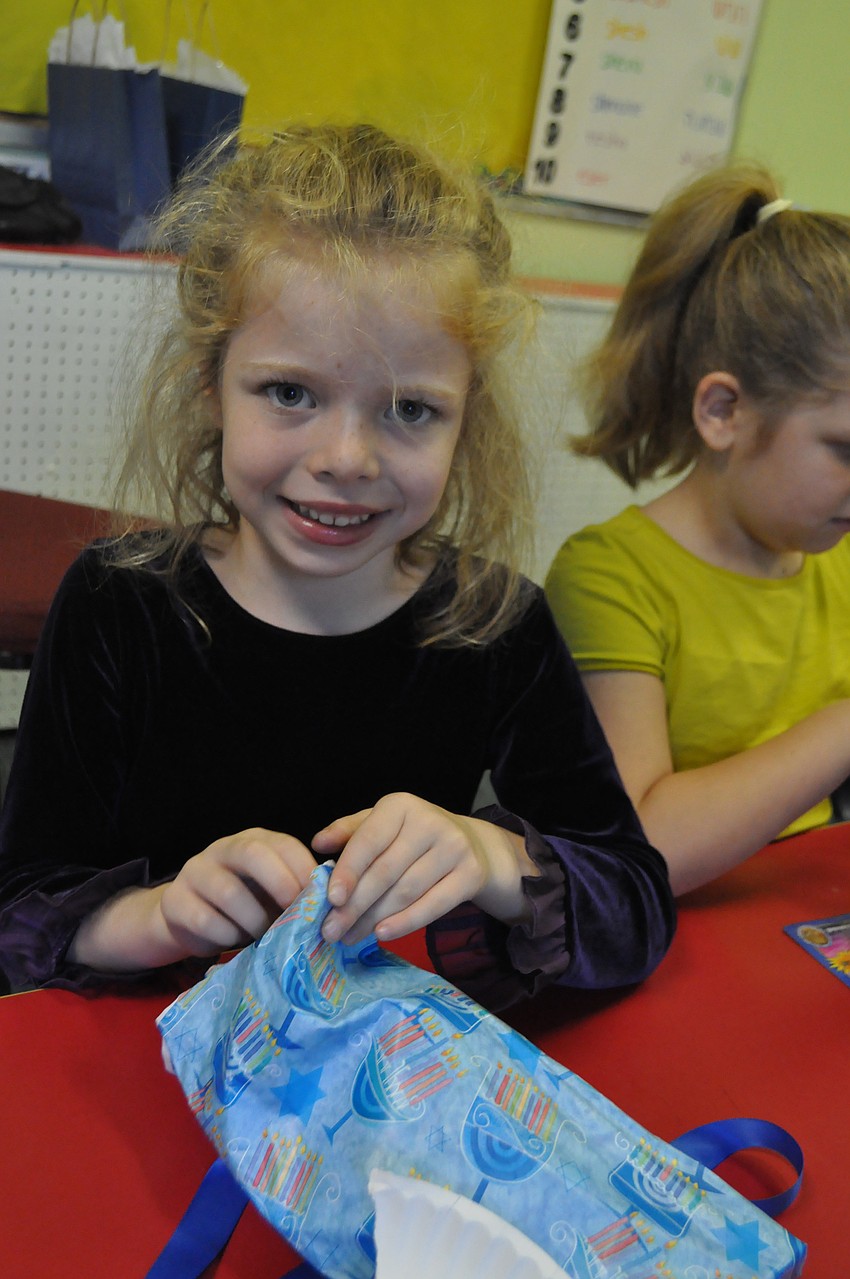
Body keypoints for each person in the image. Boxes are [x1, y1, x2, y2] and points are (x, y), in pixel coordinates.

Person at [0, 123, 674, 1004]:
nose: (347, 457)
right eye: (290, 393)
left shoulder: (496, 624)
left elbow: (635, 905)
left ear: (466, 415)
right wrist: (160, 914)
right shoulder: (120, 604)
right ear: (211, 384)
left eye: (409, 409)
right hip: (146, 1059)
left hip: (370, 1087)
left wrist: (488, 855)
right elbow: (22, 910)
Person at [545, 163, 850, 897]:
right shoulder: (609, 577)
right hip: (665, 943)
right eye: (845, 448)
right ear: (723, 412)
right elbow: (646, 844)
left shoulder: (834, 552)